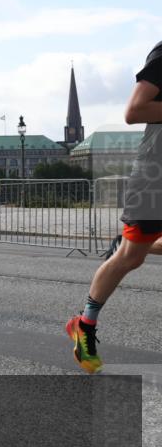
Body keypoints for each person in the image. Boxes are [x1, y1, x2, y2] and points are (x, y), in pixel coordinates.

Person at [66, 40, 162, 374]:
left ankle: (129, 244)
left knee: (134, 251)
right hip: (155, 177)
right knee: (130, 258)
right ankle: (84, 324)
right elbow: (134, 110)